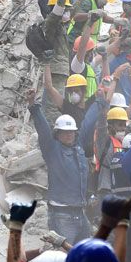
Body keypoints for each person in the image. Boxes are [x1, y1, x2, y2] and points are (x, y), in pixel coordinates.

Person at [27, 87, 92, 244]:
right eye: (64, 132)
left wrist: (101, 100)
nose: (69, 134)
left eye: (71, 131)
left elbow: (90, 122)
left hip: (80, 213)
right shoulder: (52, 149)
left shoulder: (79, 149)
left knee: (84, 256)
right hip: (61, 215)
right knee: (63, 257)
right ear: (57, 133)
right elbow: (43, 129)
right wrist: (33, 105)